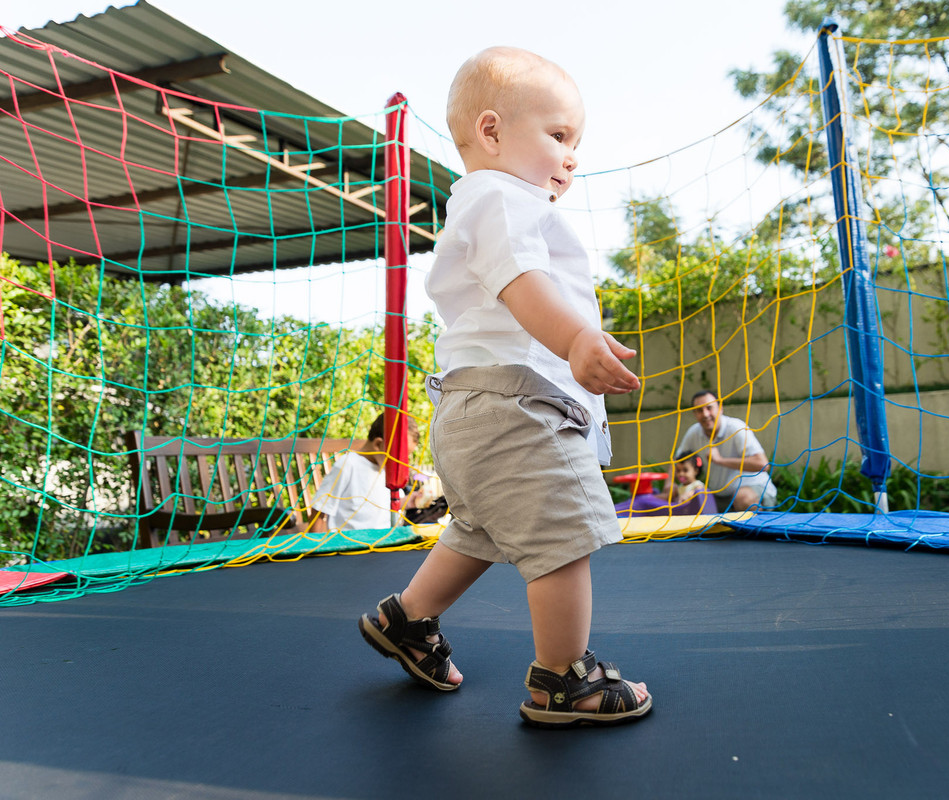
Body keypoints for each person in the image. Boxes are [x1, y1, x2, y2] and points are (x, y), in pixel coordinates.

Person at [356, 46, 651, 727]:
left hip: (474, 407)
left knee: (478, 529)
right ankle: (563, 679)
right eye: (559, 136)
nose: (571, 157)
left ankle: (408, 618)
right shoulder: (505, 196)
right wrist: (577, 340)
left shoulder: (481, 202)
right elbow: (525, 283)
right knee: (561, 538)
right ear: (491, 133)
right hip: (519, 405)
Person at [679, 390, 777, 511]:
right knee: (690, 498)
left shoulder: (736, 427)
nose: (705, 414)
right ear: (694, 414)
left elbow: (763, 464)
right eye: (699, 410)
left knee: (743, 497)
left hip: (754, 491)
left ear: (720, 408)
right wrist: (669, 486)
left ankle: (754, 529)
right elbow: (677, 460)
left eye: (709, 408)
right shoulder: (693, 432)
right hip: (719, 496)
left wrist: (721, 460)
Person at [311, 412, 393, 531]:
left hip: (383, 542)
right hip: (348, 544)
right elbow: (319, 510)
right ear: (378, 444)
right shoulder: (348, 465)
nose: (402, 463)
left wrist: (414, 500)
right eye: (397, 456)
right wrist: (316, 547)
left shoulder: (384, 468)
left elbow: (383, 506)